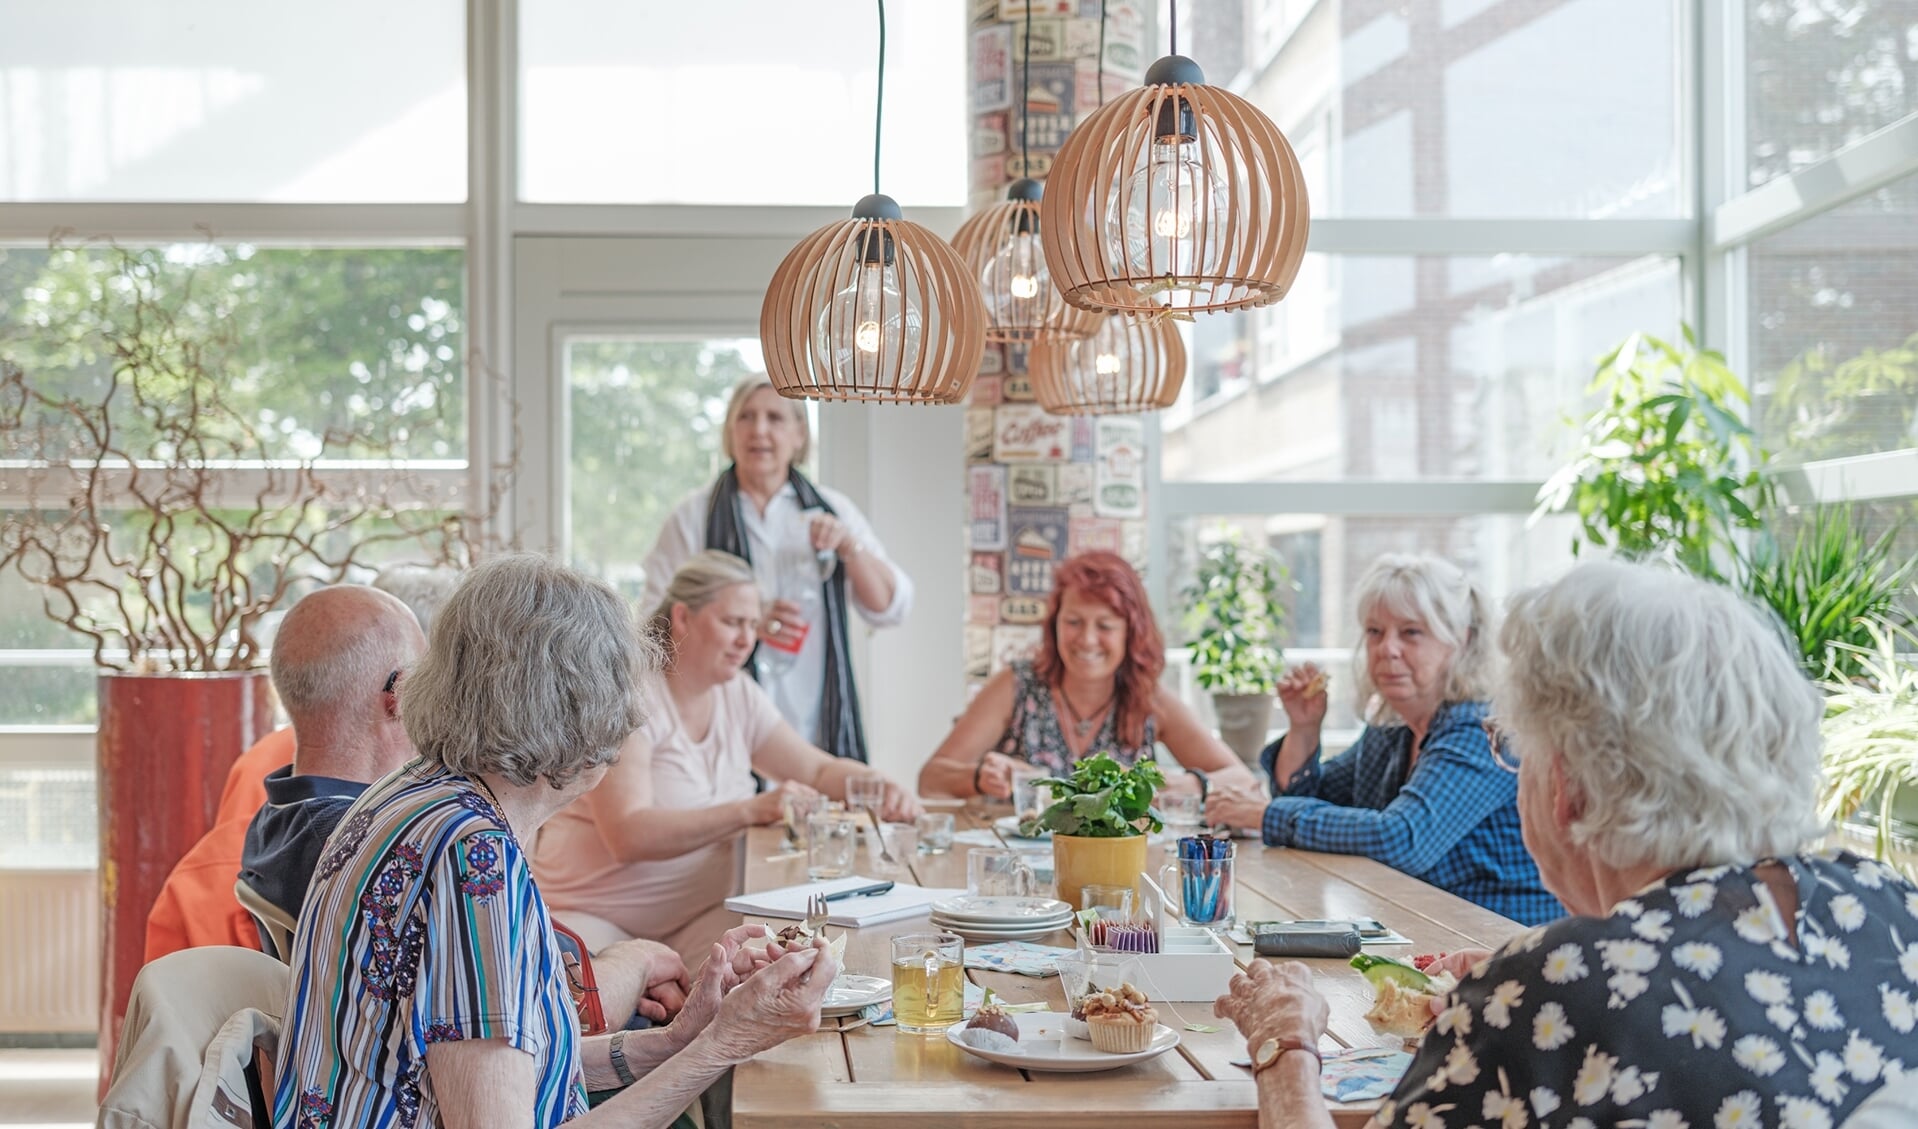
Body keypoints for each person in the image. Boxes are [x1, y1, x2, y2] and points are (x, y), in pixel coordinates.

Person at [1214, 559, 1918, 1128]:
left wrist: (1286, 1044)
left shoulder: (1550, 989)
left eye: (1515, 744)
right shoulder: (1894, 909)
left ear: (1569, 784)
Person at [272, 554, 838, 1129]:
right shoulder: (473, 859)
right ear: (579, 715)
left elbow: (522, 1070)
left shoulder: (418, 791)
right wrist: (727, 1045)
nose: (632, 719)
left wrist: (686, 1038)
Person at [537, 550, 922, 964]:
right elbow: (629, 836)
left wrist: (879, 785)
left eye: (754, 625)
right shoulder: (632, 698)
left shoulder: (737, 693)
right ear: (683, 617)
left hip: (696, 916)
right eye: (732, 622)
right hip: (595, 919)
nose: (746, 639)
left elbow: (817, 768)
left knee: (794, 968)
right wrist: (750, 810)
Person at [1206, 553, 1560, 925]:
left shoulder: (1482, 730)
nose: (1387, 648)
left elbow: (1404, 839)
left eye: (1411, 632)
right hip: (1423, 928)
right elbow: (1311, 803)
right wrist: (1304, 729)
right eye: (1375, 632)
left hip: (1498, 940)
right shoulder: (1393, 725)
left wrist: (1264, 814)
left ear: (1461, 640)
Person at [640, 378, 911, 761]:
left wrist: (850, 547)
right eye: (746, 417)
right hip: (720, 712)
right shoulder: (692, 517)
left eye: (775, 418)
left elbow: (890, 607)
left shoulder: (834, 511)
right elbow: (654, 629)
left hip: (815, 710)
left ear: (800, 433)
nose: (759, 430)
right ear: (730, 432)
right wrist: (745, 622)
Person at [918, 550, 1259, 802]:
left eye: (1105, 626)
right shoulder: (1016, 686)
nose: (1087, 640)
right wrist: (981, 777)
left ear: (1131, 633)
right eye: (1073, 622)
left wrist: (1184, 785)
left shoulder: (1149, 700)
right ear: (1054, 625)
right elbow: (930, 779)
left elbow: (1244, 781)